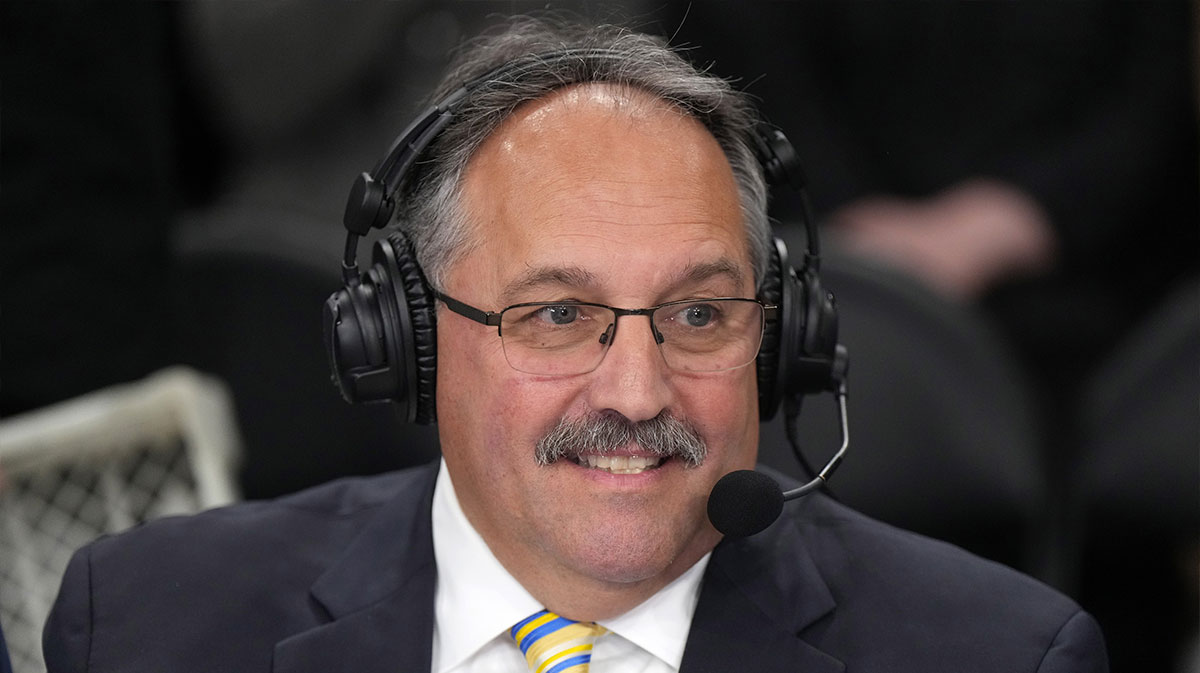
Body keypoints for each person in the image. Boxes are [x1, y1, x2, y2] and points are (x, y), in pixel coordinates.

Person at [43, 16, 1107, 672]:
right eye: (558, 315)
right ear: (410, 337)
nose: (639, 391)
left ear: (781, 341)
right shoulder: (145, 623)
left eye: (698, 315)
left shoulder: (999, 653)